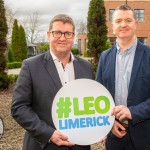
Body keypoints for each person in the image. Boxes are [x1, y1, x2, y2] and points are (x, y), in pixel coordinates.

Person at [11, 14, 94, 150]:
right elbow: (19, 107)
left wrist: (99, 129)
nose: (62, 38)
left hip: (80, 145)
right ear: (49, 34)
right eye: (57, 33)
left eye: (67, 33)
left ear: (73, 37)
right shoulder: (31, 66)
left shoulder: (86, 67)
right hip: (44, 145)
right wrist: (48, 133)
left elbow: (91, 103)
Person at [96, 4, 150, 150]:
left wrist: (133, 112)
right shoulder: (105, 57)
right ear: (112, 26)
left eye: (128, 20)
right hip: (114, 137)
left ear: (136, 24)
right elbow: (98, 95)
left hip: (144, 136)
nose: (123, 25)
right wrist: (109, 122)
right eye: (118, 21)